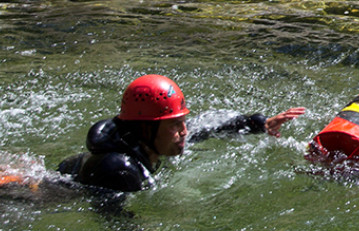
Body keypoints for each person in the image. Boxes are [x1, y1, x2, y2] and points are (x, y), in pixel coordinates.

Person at [57, 74, 306, 193]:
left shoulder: (152, 140)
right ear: (146, 128)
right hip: (50, 196)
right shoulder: (120, 169)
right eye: (175, 125)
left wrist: (259, 124)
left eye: (182, 122)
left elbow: (210, 128)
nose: (184, 131)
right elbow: (111, 215)